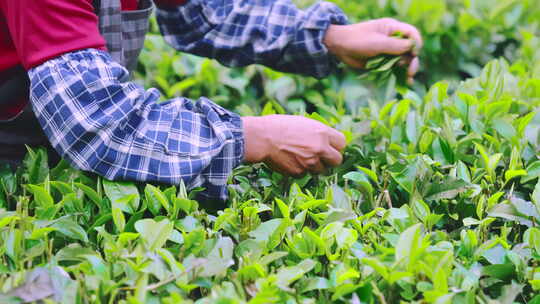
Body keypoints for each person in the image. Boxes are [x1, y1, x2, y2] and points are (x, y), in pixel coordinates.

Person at [0, 0, 422, 200]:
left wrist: (331, 38)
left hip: (57, 151)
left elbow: (204, 14)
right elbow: (97, 122)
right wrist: (248, 136)